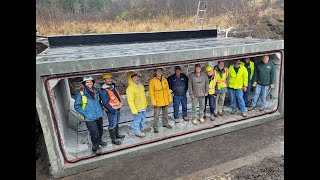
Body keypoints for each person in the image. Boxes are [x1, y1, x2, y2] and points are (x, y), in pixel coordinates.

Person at [74, 75, 106, 155]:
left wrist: (101, 109)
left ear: (93, 83)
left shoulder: (96, 91)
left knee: (100, 130)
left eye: (90, 82)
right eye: (87, 82)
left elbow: (100, 101)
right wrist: (86, 114)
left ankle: (99, 141)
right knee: (94, 133)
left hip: (98, 115)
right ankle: (95, 148)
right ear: (84, 84)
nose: (89, 83)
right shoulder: (81, 93)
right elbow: (77, 106)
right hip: (89, 118)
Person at [100, 73, 125, 145]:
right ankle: (113, 139)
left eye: (110, 78)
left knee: (116, 123)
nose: (110, 80)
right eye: (107, 79)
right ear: (104, 80)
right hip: (112, 110)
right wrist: (112, 110)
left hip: (117, 108)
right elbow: (104, 103)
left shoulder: (112, 87)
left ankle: (117, 135)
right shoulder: (104, 91)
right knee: (112, 125)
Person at [126, 71, 150, 138]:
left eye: (137, 77)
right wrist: (134, 110)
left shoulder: (140, 85)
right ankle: (137, 131)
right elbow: (130, 101)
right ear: (131, 79)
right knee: (137, 120)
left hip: (143, 106)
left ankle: (142, 128)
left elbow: (143, 96)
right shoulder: (130, 88)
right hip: (137, 108)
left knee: (143, 118)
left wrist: (146, 103)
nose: (136, 79)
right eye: (134, 78)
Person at [149, 68, 173, 133]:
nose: (159, 72)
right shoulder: (152, 81)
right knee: (156, 115)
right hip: (157, 101)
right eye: (158, 71)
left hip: (165, 100)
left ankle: (165, 123)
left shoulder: (165, 79)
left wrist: (169, 98)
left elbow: (167, 90)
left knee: (166, 113)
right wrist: (153, 102)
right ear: (155, 72)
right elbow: (151, 93)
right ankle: (155, 126)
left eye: (160, 71)